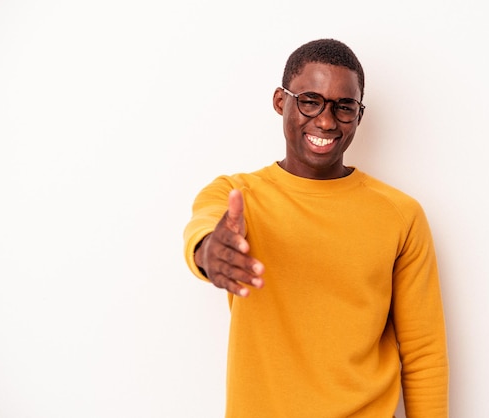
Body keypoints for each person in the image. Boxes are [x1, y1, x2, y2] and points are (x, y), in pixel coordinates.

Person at [183, 38, 448, 418]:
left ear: (359, 115)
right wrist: (209, 252)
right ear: (281, 101)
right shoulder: (236, 195)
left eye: (344, 107)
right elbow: (203, 230)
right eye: (309, 100)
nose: (325, 121)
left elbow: (424, 353)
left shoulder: (401, 214)